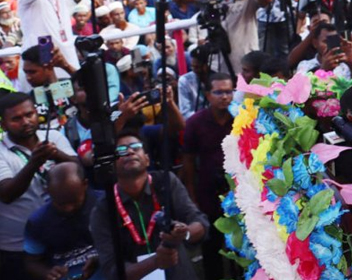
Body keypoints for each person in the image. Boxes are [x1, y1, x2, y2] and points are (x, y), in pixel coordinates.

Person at [89, 131, 208, 280]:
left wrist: (185, 233)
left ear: (147, 159)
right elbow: (113, 271)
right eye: (121, 150)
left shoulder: (166, 182)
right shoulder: (103, 209)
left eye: (136, 147)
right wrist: (156, 262)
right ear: (112, 165)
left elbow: (201, 223)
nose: (130, 152)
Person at [0, 93, 77, 279]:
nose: (26, 121)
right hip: (17, 248)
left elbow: (79, 170)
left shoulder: (54, 137)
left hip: (62, 240)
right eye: (16, 119)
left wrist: (57, 155)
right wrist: (34, 163)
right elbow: (7, 194)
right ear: (3, 125)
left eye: (29, 114)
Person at [182, 73, 234, 280]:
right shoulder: (195, 123)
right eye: (219, 92)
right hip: (207, 194)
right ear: (207, 95)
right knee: (211, 247)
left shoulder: (240, 118)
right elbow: (188, 162)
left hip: (238, 192)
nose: (224, 96)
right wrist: (192, 198)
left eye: (229, 91)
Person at [23, 163, 102, 280]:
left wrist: (101, 259)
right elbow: (32, 262)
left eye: (74, 202)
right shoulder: (38, 221)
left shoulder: (105, 204)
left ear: (85, 184)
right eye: (61, 204)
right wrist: (48, 273)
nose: (68, 208)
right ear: (47, 191)